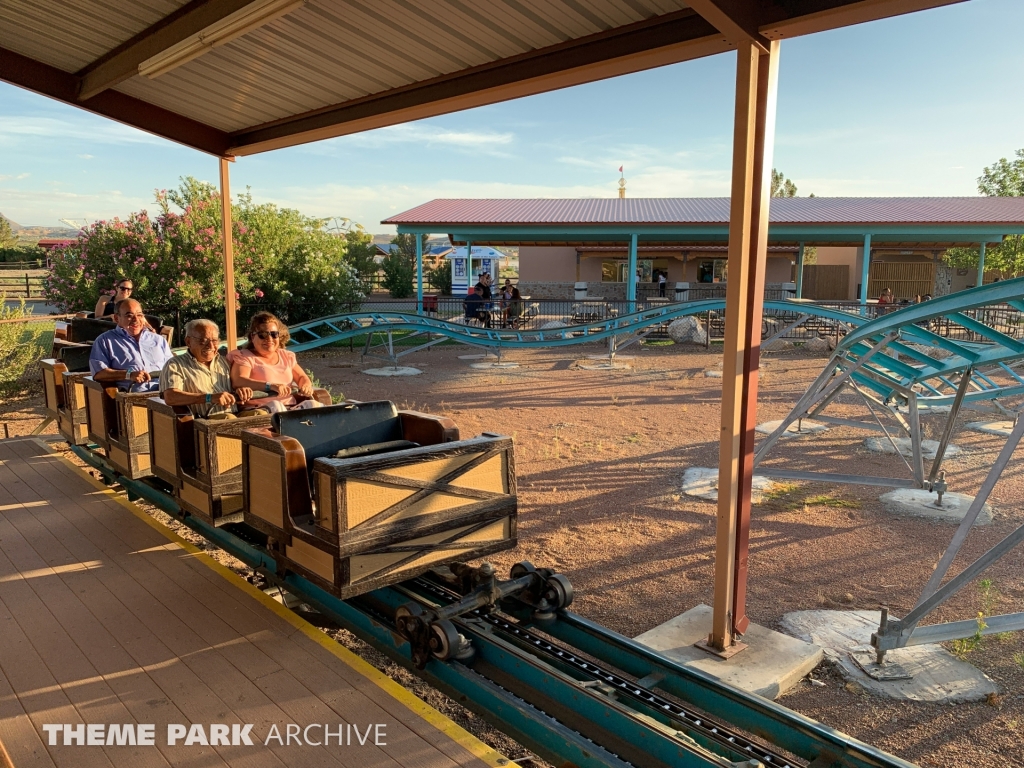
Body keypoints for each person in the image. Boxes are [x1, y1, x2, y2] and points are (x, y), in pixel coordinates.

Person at [228, 312, 324, 414]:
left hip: (289, 408)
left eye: (274, 334)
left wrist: (305, 385)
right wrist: (271, 386)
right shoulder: (245, 357)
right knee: (276, 406)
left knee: (314, 405)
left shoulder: (286, 356)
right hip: (258, 410)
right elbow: (239, 380)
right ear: (252, 337)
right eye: (262, 335)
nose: (269, 339)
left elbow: (301, 377)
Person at [160, 319, 255, 419]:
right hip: (203, 422)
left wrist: (242, 391)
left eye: (214, 341)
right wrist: (209, 398)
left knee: (260, 414)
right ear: (188, 342)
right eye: (203, 341)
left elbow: (236, 387)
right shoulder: (175, 364)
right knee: (228, 418)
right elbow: (171, 397)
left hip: (235, 414)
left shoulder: (225, 362)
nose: (210, 346)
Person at [89, 299, 173, 392]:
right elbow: (98, 373)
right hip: (132, 398)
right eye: (129, 315)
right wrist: (129, 374)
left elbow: (172, 368)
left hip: (164, 395)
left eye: (139, 315)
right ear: (117, 318)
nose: (136, 320)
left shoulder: (158, 340)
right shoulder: (105, 341)